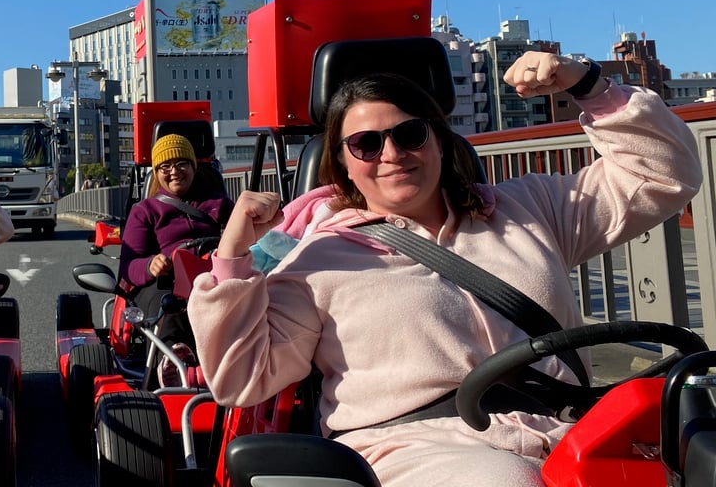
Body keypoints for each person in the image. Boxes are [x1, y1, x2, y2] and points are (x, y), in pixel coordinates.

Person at [189, 52, 702, 487]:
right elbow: (243, 378)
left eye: (410, 133)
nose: (391, 154)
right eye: (366, 144)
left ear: (438, 140)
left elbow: (662, 176)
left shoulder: (530, 208)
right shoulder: (317, 258)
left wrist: (586, 83)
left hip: (572, 431)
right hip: (414, 448)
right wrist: (232, 257)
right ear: (343, 163)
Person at [118, 133, 234, 383]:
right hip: (165, 284)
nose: (174, 171)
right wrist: (152, 264)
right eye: (165, 166)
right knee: (171, 302)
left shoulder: (219, 204)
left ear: (193, 165)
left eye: (181, 163)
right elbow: (128, 267)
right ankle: (171, 359)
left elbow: (249, 233)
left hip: (211, 276)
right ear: (156, 172)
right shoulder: (145, 211)